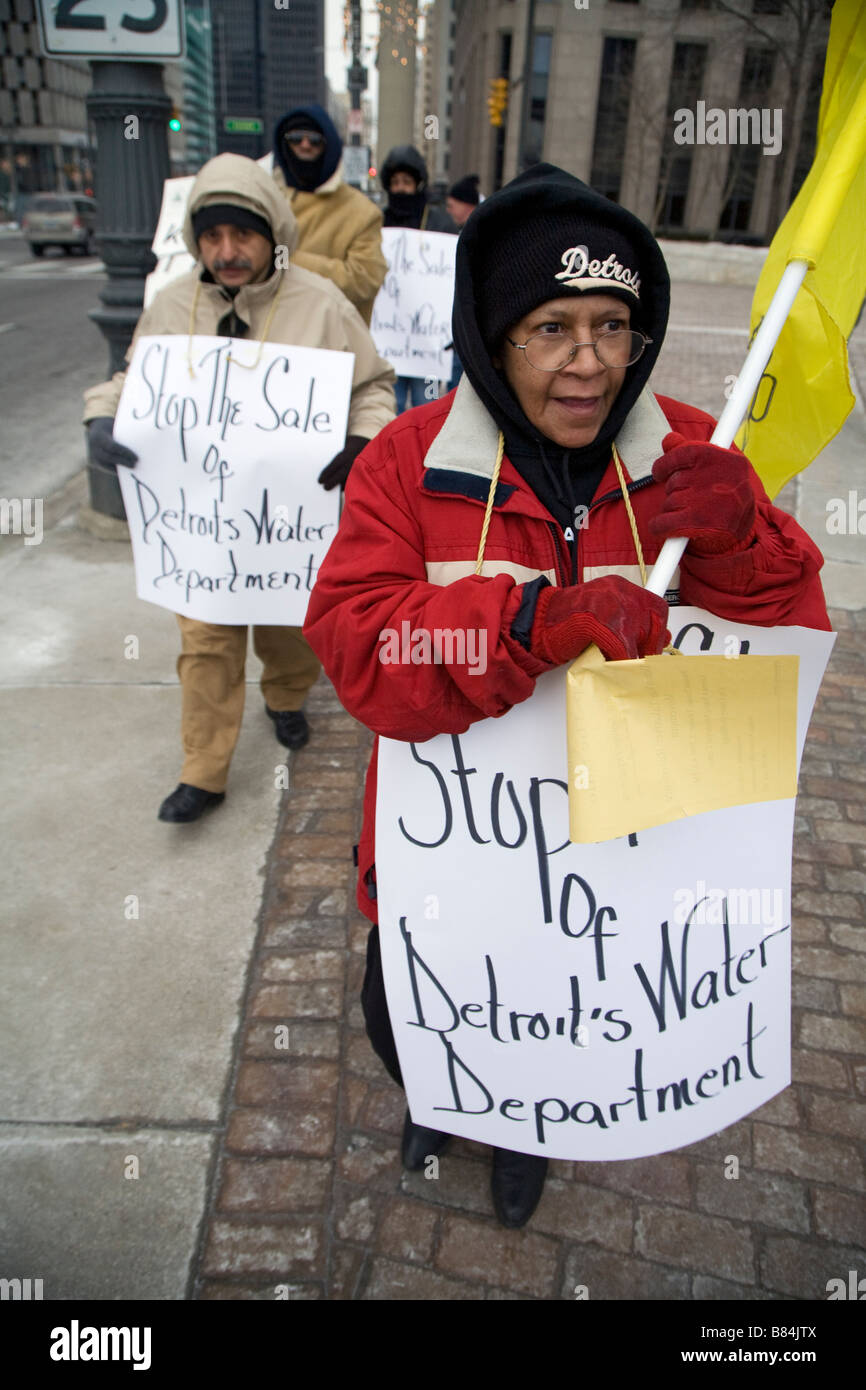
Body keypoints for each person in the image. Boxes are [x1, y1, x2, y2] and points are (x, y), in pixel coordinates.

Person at [303, 163, 831, 1228]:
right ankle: (445, 1100)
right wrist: (530, 623)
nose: (588, 364)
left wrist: (748, 534)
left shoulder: (695, 451)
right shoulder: (407, 463)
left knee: (568, 1024)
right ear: (493, 340)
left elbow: (784, 640)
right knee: (403, 1019)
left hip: (635, 862)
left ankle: (516, 1130)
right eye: (549, 327)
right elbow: (360, 648)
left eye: (611, 326)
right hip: (463, 862)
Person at [84, 153, 395, 824]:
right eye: (212, 236)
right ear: (195, 238)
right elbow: (134, 380)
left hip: (287, 522)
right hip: (200, 526)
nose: (227, 251)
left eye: (243, 235)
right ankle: (204, 771)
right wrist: (101, 416)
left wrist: (361, 439)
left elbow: (372, 385)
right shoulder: (172, 305)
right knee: (206, 643)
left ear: (272, 234)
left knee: (289, 632)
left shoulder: (321, 303)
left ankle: (285, 700)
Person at [272, 104, 387, 327]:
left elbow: (365, 278)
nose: (305, 145)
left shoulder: (361, 211)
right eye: (296, 138)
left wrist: (286, 261)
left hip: (329, 340)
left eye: (314, 140)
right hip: (269, 337)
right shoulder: (264, 197)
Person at [380, 145, 458, 413]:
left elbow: (452, 279)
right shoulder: (378, 219)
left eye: (407, 182)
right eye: (395, 182)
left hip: (429, 343)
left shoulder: (440, 222)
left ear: (418, 184)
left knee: (430, 411)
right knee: (390, 408)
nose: (401, 189)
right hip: (388, 339)